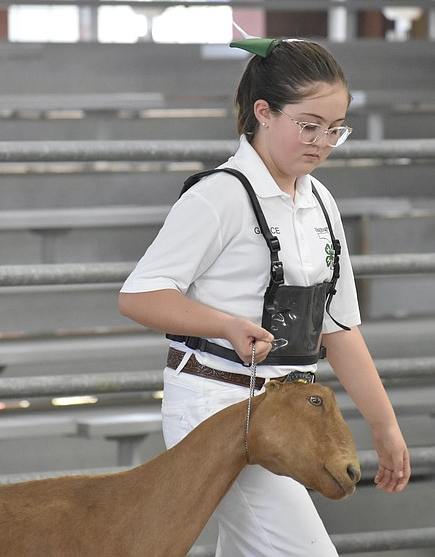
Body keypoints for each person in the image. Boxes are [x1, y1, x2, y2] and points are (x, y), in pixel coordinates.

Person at [119, 36, 411, 556]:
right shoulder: (218, 195)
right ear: (263, 112)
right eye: (309, 125)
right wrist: (225, 324)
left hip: (287, 413)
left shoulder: (322, 203)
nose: (322, 141)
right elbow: (140, 295)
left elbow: (339, 330)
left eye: (335, 130)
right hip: (216, 407)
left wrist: (385, 427)